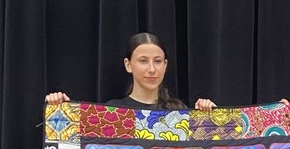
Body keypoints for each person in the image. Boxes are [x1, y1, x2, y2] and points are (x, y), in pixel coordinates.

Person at [46, 32, 216, 110]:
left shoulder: (179, 112)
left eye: (157, 61)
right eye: (143, 61)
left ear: (165, 65)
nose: (151, 69)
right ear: (128, 65)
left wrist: (210, 118)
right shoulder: (112, 111)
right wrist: (59, 108)